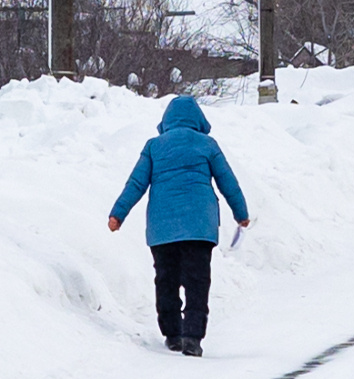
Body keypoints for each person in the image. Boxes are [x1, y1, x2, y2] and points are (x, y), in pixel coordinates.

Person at [107, 94, 251, 356]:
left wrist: (118, 214)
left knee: (167, 279)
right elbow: (228, 181)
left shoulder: (154, 146)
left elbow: (136, 184)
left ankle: (173, 334)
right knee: (197, 280)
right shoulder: (207, 144)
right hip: (199, 227)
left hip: (162, 228)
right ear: (198, 119)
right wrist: (241, 213)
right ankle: (193, 338)